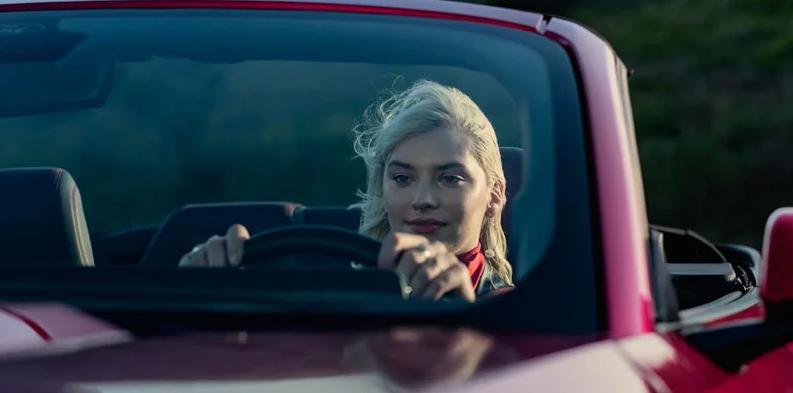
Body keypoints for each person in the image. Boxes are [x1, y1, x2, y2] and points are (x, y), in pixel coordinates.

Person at [178, 79, 514, 301]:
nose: (422, 200)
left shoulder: (523, 313)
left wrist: (468, 315)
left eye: (449, 178)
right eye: (402, 178)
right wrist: (208, 293)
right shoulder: (327, 291)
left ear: (495, 195)